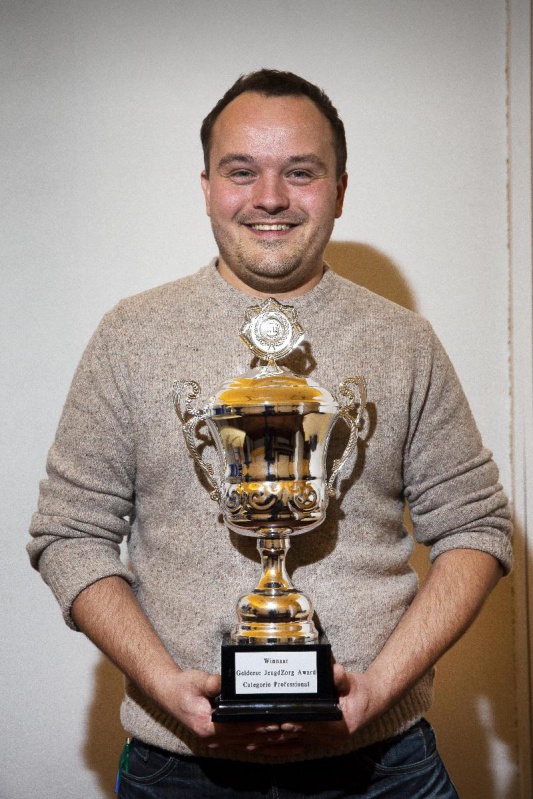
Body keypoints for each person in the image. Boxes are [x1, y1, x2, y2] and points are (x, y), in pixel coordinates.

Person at [28, 69, 512, 798]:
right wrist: (167, 687)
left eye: (301, 172)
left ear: (340, 189)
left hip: (384, 768)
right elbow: (68, 533)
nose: (270, 197)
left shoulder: (405, 341)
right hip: (177, 766)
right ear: (206, 186)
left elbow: (476, 527)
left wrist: (376, 689)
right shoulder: (130, 336)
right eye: (241, 170)